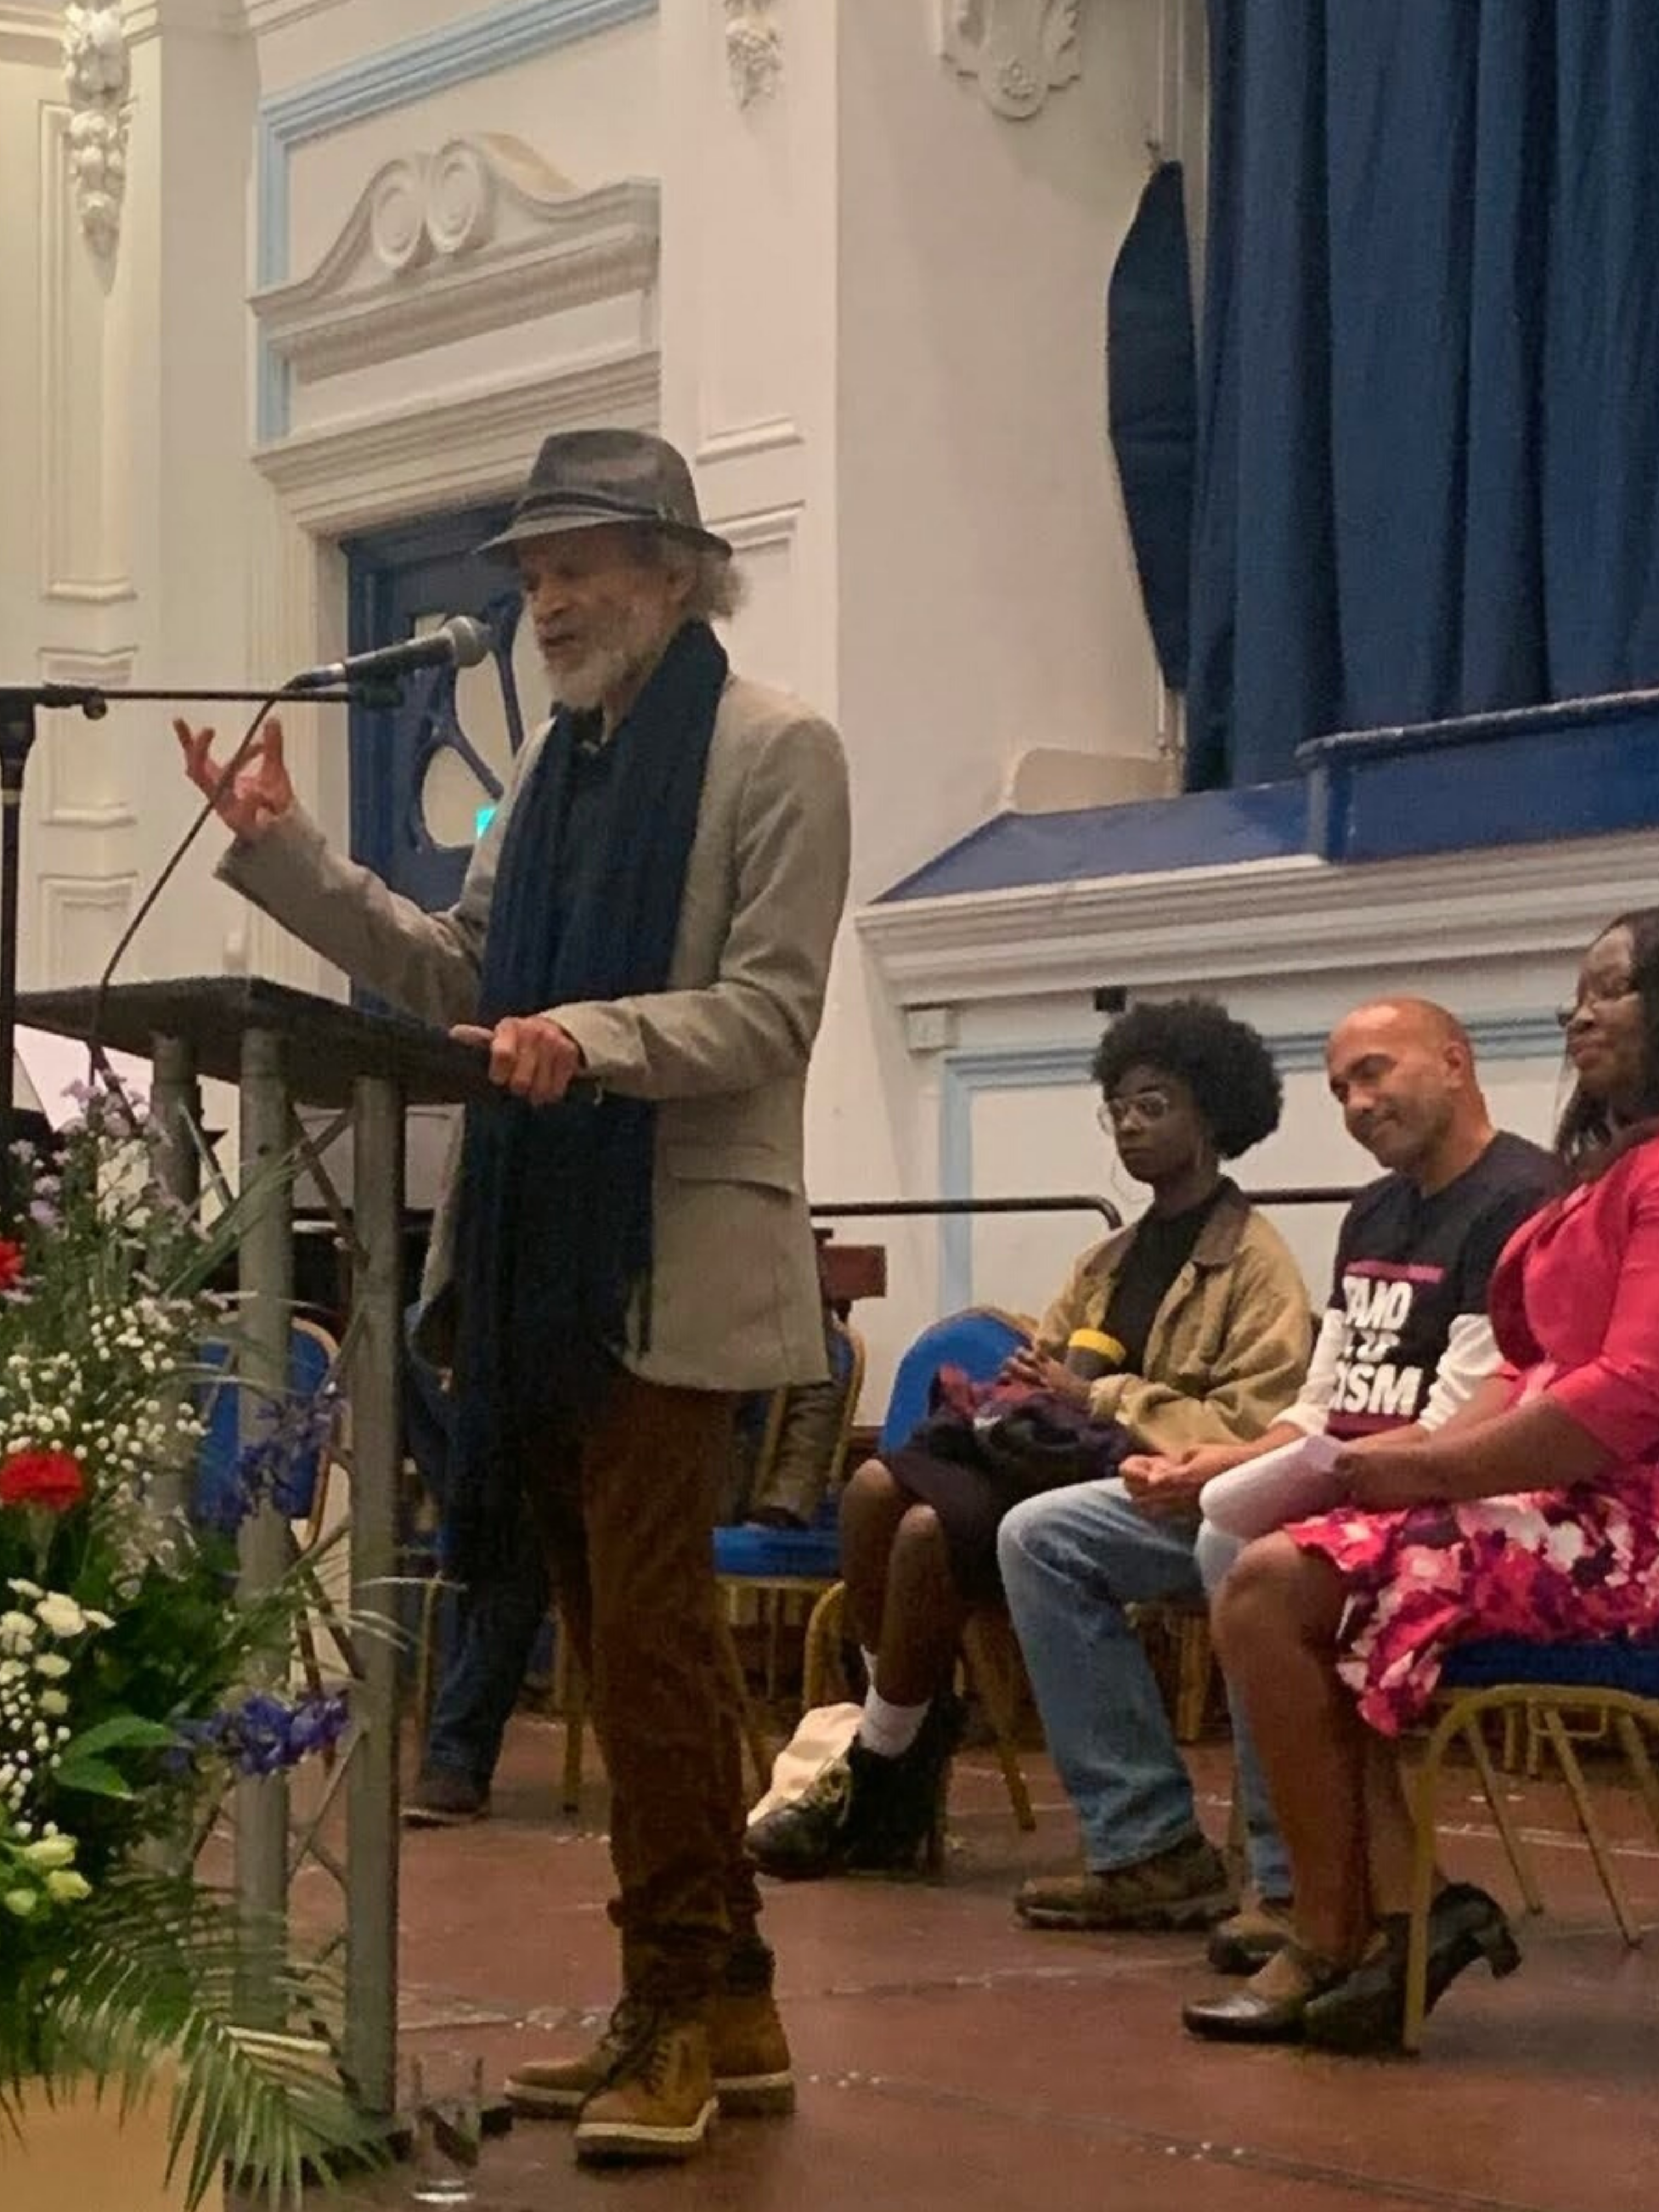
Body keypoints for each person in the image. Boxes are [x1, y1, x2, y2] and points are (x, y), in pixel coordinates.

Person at [176, 428, 851, 2164]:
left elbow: (770, 1014)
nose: (547, 599)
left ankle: (676, 2007)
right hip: (539, 1257)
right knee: (621, 1650)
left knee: (651, 1655)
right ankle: (732, 2006)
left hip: (670, 1258)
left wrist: (591, 1041)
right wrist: (288, 857)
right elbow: (462, 976)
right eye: (535, 570)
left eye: (582, 565)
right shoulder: (553, 772)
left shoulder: (777, 751)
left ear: (678, 574)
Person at [1183, 916, 1659, 2052]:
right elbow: (1535, 1373)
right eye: (1575, 997)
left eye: (1613, 992)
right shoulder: (1610, 1171)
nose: (1582, 1015)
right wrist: (1387, 1475)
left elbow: (1633, 1393)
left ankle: (1354, 1931)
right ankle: (1387, 1919)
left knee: (1271, 1589)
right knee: (1272, 1579)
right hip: (1562, 1500)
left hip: (1629, 1523)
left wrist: (1427, 1469)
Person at [1009, 998, 1556, 1956]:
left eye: (1376, 1072)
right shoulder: (1371, 1211)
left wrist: (1288, 1471)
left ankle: (1286, 1877)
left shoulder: (1517, 1200)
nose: (1356, 1101)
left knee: (1239, 1541)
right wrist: (1216, 1462)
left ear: (1456, 1062)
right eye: (1341, 1086)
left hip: (1433, 1490)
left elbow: (1468, 1414)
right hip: (1324, 1471)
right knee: (1041, 1535)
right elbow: (1318, 1398)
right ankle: (1145, 1842)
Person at [745, 998, 1310, 1883]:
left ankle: (886, 1771)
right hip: (1058, 1462)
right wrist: (1028, 1393)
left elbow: (1252, 1425)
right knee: (869, 1491)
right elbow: (1041, 1378)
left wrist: (1102, 1395)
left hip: (1161, 1485)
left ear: (1210, 1114)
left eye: (1152, 1104)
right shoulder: (1105, 1259)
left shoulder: (1255, 1265)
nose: (1128, 1123)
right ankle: (897, 1737)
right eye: (1116, 1106)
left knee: (930, 1536)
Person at [400, 1302, 551, 1828]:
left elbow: (816, 1381)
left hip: (678, 1452)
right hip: (543, 1456)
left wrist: (781, 1503)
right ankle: (453, 1755)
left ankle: (455, 1755)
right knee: (413, 1332)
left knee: (507, 1532)